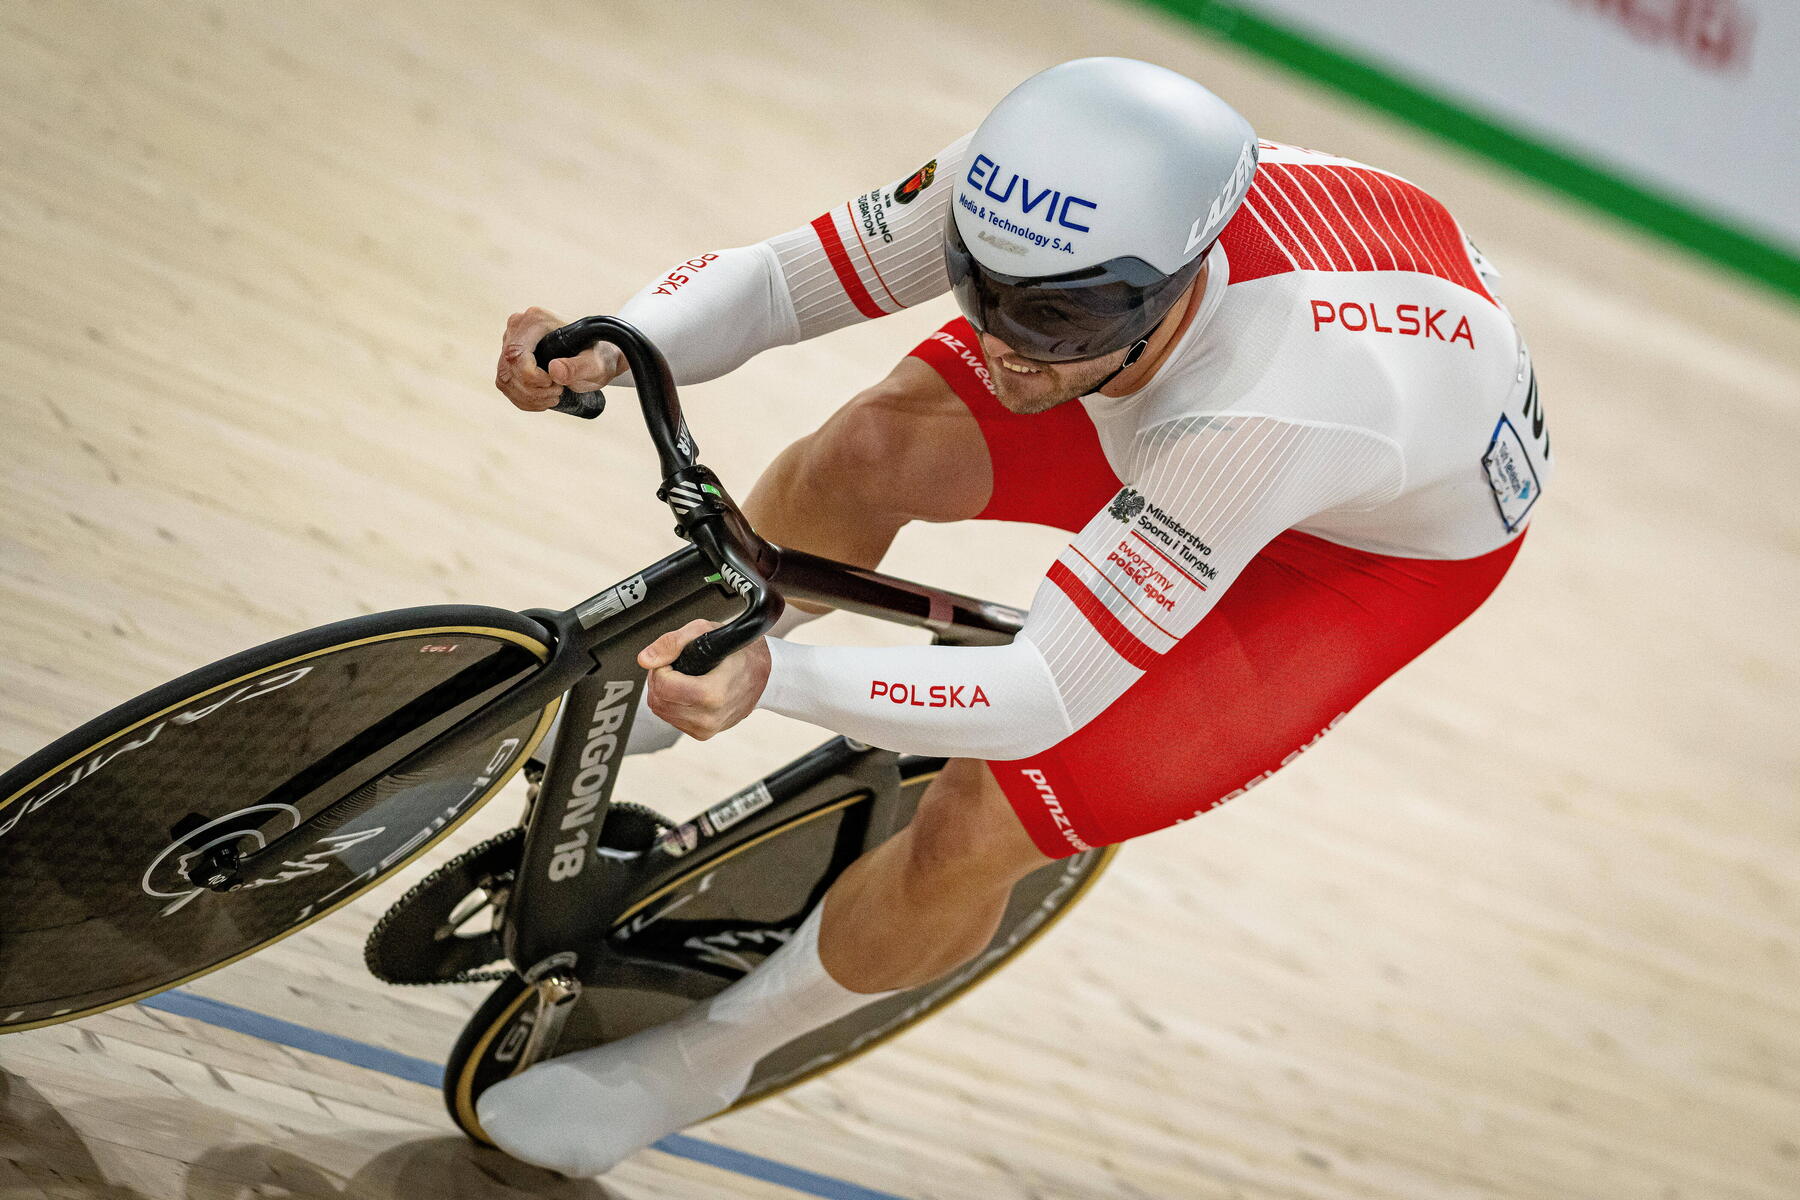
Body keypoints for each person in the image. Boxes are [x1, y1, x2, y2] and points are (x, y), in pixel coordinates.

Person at [478, 56, 1551, 1176]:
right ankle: (673, 684)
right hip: (1170, 390)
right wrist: (621, 337)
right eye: (978, 291)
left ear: (1170, 279)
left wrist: (770, 683)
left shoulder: (1275, 402)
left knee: (985, 807)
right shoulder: (1034, 197)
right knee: (871, 447)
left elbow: (1041, 691)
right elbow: (782, 282)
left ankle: (708, 1057)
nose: (999, 342)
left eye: (1052, 316)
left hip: (1356, 547)